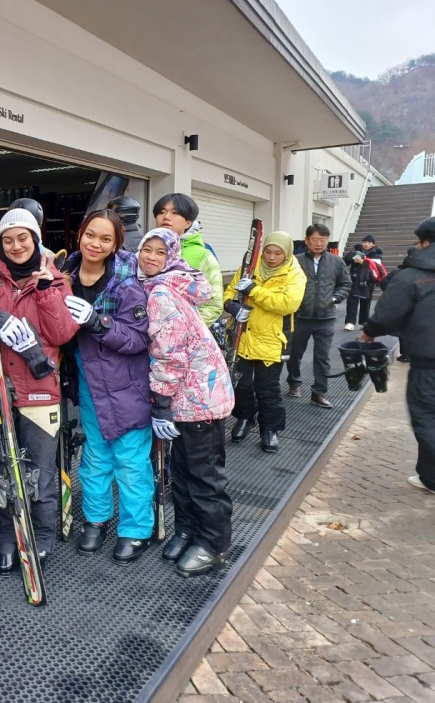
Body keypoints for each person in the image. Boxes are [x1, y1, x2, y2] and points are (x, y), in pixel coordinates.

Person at [0, 206, 79, 573]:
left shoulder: (56, 280)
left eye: (22, 238)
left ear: (35, 239)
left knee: (40, 471)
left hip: (40, 391)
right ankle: (4, 538)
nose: (15, 245)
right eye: (7, 240)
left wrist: (45, 292)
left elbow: (62, 333)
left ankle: (40, 536)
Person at [136, 228, 235, 576]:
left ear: (172, 257)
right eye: (146, 249)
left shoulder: (161, 293)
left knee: (204, 475)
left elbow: (170, 355)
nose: (151, 257)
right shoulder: (160, 285)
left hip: (198, 398)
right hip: (188, 395)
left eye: (160, 252)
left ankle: (213, 544)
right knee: (181, 471)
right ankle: (187, 530)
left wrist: (160, 403)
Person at [61, 208, 154, 564]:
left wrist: (97, 322)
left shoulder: (127, 286)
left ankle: (136, 529)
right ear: (80, 234)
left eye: (105, 239)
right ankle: (96, 519)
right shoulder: (64, 277)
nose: (95, 244)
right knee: (95, 457)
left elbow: (137, 339)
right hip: (88, 383)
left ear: (116, 244)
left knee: (130, 462)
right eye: (90, 235)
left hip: (126, 386)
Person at [359, 217, 435, 493]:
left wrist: (369, 332)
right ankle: (429, 477)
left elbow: (388, 314)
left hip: (429, 363)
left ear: (425, 242)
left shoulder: (414, 274)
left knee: (427, 418)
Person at [223, 231, 306, 453]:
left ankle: (270, 429)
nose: (271, 257)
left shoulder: (294, 274)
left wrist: (254, 291)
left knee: (267, 389)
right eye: (268, 252)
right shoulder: (250, 268)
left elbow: (288, 304)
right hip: (243, 336)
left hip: (272, 340)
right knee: (241, 384)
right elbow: (229, 292)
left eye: (278, 253)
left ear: (286, 253)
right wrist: (232, 306)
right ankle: (244, 417)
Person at [285, 223, 351, 409]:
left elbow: (345, 283)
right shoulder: (295, 261)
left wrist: (335, 298)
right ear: (306, 240)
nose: (319, 243)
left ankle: (319, 392)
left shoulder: (337, 262)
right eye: (315, 239)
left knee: (322, 357)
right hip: (300, 317)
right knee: (294, 353)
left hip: (326, 318)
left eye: (323, 240)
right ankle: (294, 383)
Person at [152, 193, 223, 326]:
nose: (166, 217)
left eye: (175, 213)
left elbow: (214, 305)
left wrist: (181, 330)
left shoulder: (203, 256)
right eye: (161, 212)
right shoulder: (145, 251)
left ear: (188, 222)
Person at [343, 235, 383, 330]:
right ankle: (350, 322)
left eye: (369, 243)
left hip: (368, 280)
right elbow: (344, 262)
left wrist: (363, 262)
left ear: (373, 244)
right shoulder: (355, 251)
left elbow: (376, 266)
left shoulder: (376, 255)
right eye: (364, 242)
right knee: (352, 301)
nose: (366, 244)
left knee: (366, 302)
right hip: (355, 279)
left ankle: (364, 322)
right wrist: (351, 256)